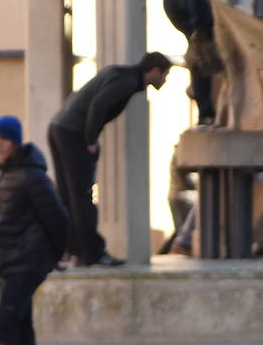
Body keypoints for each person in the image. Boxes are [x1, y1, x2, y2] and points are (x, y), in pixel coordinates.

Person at [47, 51, 172, 267]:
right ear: (154, 71)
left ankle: (74, 250)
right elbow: (98, 105)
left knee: (69, 195)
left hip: (59, 127)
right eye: (165, 75)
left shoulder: (123, 75)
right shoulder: (127, 80)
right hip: (73, 133)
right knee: (82, 195)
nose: (165, 80)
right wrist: (91, 140)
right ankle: (92, 253)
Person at [0, 116, 68, 345]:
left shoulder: (33, 177)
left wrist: (57, 254)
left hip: (29, 261)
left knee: (4, 325)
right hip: (7, 261)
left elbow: (58, 218)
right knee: (21, 328)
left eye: (5, 139)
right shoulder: (1, 174)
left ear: (16, 143)